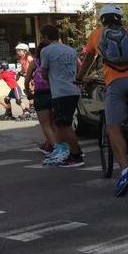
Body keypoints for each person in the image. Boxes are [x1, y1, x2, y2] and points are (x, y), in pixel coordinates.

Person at [77, 5, 128, 195]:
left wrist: (80, 77)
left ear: (103, 19)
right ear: (119, 18)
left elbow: (88, 59)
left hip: (117, 82)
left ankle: (125, 170)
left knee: (113, 127)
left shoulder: (96, 35)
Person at [39, 24, 83, 168]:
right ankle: (66, 151)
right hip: (73, 90)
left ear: (45, 37)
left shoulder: (46, 51)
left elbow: (43, 71)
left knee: (64, 126)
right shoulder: (71, 50)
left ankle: (76, 155)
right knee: (60, 124)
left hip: (60, 92)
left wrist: (48, 79)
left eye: (42, 36)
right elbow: (79, 67)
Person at [25, 41, 56, 156]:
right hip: (54, 92)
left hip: (40, 94)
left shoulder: (35, 62)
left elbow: (27, 79)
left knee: (45, 124)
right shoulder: (53, 61)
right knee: (53, 123)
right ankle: (49, 145)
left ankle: (56, 148)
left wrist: (28, 92)